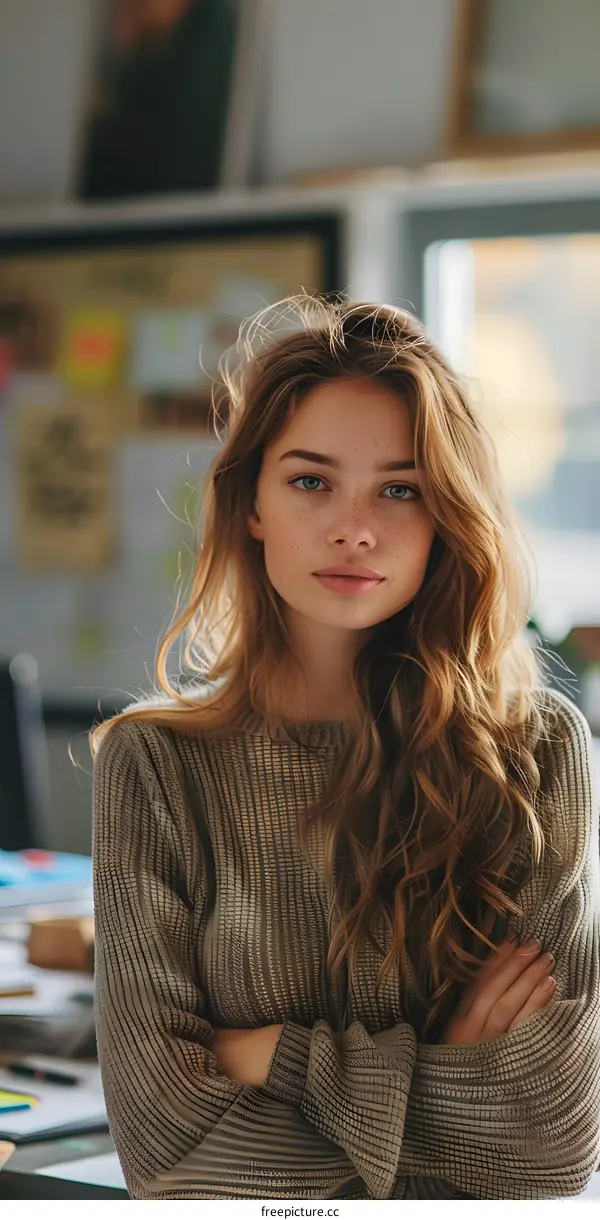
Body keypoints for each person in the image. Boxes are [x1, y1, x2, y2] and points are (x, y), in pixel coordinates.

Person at [91, 295, 600, 1200]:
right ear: (250, 501)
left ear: (447, 513)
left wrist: (266, 1055)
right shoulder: (155, 766)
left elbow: (549, 1140)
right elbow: (166, 1150)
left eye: (399, 489)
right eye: (310, 480)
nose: (354, 528)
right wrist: (448, 1083)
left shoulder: (538, 754)